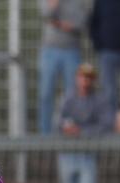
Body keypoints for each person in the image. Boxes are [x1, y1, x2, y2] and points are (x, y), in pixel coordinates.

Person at [57, 63, 114, 183]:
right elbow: (57, 122)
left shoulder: (100, 100)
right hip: (67, 153)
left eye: (89, 77)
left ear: (93, 80)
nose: (85, 81)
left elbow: (106, 125)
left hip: (88, 154)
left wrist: (82, 132)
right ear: (77, 78)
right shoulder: (67, 98)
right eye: (82, 76)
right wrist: (66, 129)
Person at [37, 0, 87, 135]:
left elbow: (82, 22)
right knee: (45, 93)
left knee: (72, 94)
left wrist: (64, 25)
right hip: (49, 50)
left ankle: (70, 131)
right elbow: (46, 15)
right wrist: (54, 4)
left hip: (72, 51)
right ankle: (45, 134)